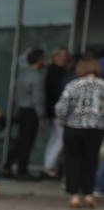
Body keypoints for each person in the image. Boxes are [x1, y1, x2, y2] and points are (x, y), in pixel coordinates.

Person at [53, 56, 104, 208]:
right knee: (91, 161)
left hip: (73, 128)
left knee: (72, 160)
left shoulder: (73, 85)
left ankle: (74, 195)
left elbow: (60, 108)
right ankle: (88, 194)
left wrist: (64, 122)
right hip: (95, 129)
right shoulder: (102, 86)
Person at [9, 48, 46, 180]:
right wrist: (41, 118)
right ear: (39, 60)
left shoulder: (22, 74)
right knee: (26, 143)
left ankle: (8, 166)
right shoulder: (36, 76)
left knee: (21, 141)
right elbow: (37, 98)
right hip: (31, 112)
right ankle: (22, 171)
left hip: (21, 110)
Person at [42, 47, 75, 178]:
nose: (62, 58)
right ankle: (48, 166)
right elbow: (56, 94)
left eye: (64, 56)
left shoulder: (60, 71)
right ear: (54, 57)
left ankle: (48, 166)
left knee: (55, 139)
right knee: (60, 140)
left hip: (56, 110)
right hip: (58, 110)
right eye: (59, 55)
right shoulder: (55, 72)